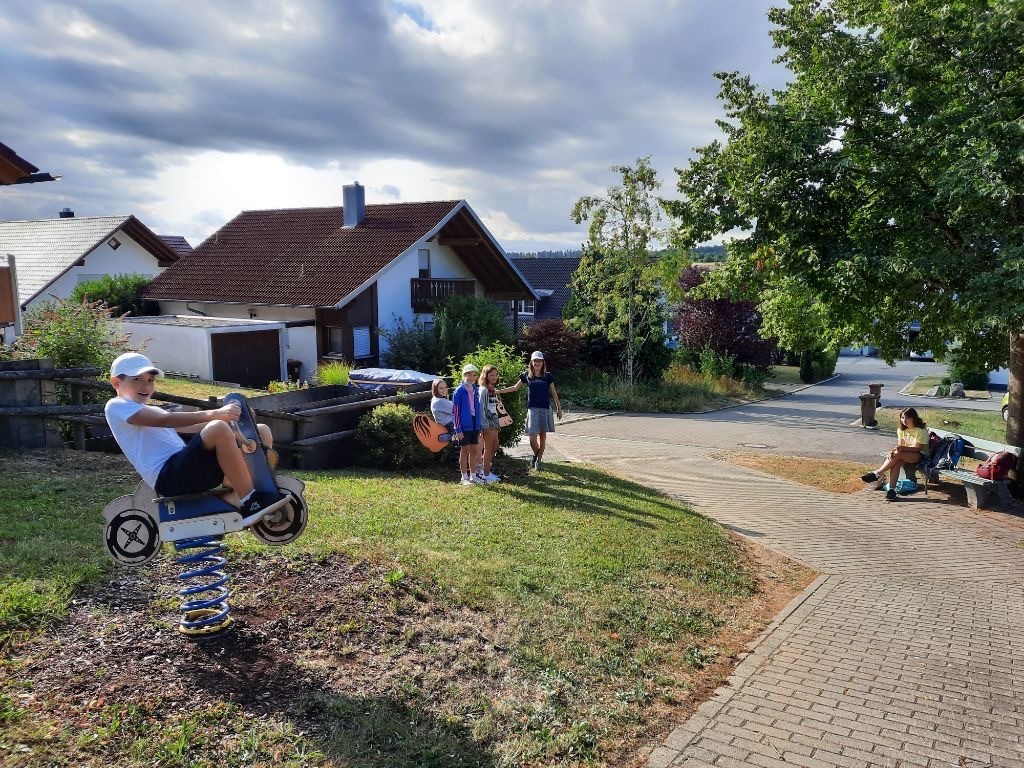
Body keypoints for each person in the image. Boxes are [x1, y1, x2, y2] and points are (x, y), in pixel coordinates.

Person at [104, 351, 287, 516]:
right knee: (217, 427)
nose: (145, 385)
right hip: (169, 478)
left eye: (150, 380)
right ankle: (250, 501)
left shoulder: (151, 411)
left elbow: (196, 428)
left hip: (190, 470)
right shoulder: (116, 406)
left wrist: (233, 421)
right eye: (137, 379)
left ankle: (247, 492)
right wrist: (215, 414)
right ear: (116, 382)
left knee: (259, 431)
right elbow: (166, 420)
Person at [500, 350, 562, 471]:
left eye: (539, 361)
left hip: (545, 409)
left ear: (542, 362)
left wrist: (559, 408)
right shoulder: (526, 375)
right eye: (535, 361)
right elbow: (514, 388)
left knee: (543, 436)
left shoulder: (548, 376)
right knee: (532, 438)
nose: (537, 363)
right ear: (531, 362)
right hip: (532, 409)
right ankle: (536, 454)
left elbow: (554, 392)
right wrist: (498, 391)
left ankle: (538, 461)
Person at [860, 407, 929, 501]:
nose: (905, 420)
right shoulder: (901, 429)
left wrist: (900, 449)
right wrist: (894, 450)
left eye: (908, 418)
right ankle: (891, 491)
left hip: (920, 455)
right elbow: (901, 445)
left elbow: (918, 449)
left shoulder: (921, 430)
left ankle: (877, 473)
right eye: (903, 418)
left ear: (914, 418)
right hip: (904, 454)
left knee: (898, 455)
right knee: (895, 462)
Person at [452, 363, 484, 485]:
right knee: (464, 450)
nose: (472, 377)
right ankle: (464, 477)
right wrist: (458, 429)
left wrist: (479, 425)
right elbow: (455, 412)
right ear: (464, 375)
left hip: (474, 424)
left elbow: (477, 408)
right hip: (464, 426)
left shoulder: (476, 389)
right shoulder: (459, 391)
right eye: (469, 374)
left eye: (474, 375)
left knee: (474, 451)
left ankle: (473, 476)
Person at [477, 365, 503, 483]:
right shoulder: (484, 390)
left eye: (496, 374)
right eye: (491, 375)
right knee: (488, 447)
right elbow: (481, 408)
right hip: (487, 422)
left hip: (494, 420)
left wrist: (497, 423)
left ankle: (485, 469)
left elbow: (494, 407)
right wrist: (484, 425)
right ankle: (485, 474)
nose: (494, 377)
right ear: (485, 375)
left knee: (495, 445)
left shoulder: (492, 389)